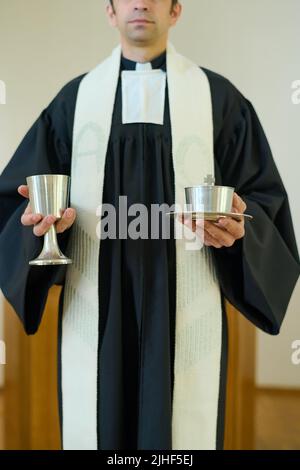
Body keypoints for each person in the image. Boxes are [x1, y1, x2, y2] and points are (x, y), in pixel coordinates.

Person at [0, 0, 299, 451]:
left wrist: (242, 232)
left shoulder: (220, 102)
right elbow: (19, 204)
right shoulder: (73, 103)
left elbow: (263, 204)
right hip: (96, 306)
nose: (141, 2)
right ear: (110, 11)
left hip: (184, 304)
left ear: (176, 11)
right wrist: (41, 224)